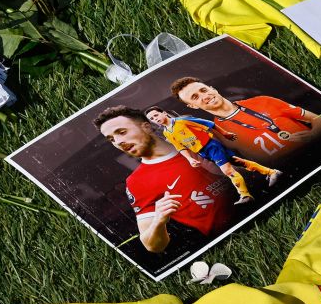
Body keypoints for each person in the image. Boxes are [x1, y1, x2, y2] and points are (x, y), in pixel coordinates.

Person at [93, 105, 237, 254]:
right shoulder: (137, 182)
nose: (118, 141)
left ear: (147, 127)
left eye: (122, 132)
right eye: (111, 139)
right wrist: (159, 221)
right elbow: (152, 245)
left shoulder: (193, 141)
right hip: (231, 240)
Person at [170, 77, 321, 163]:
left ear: (213, 89)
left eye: (203, 90)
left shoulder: (262, 100)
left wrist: (314, 133)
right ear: (192, 106)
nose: (205, 97)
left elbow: (319, 120)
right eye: (195, 97)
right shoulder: (216, 134)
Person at [143, 106, 281, 204]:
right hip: (203, 152)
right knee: (238, 161)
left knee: (227, 170)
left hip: (211, 145)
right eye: (152, 119)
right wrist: (190, 159)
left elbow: (207, 123)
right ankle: (271, 172)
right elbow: (180, 147)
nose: (155, 119)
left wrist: (225, 133)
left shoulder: (181, 121)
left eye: (156, 115)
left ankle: (245, 195)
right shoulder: (167, 133)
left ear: (164, 113)